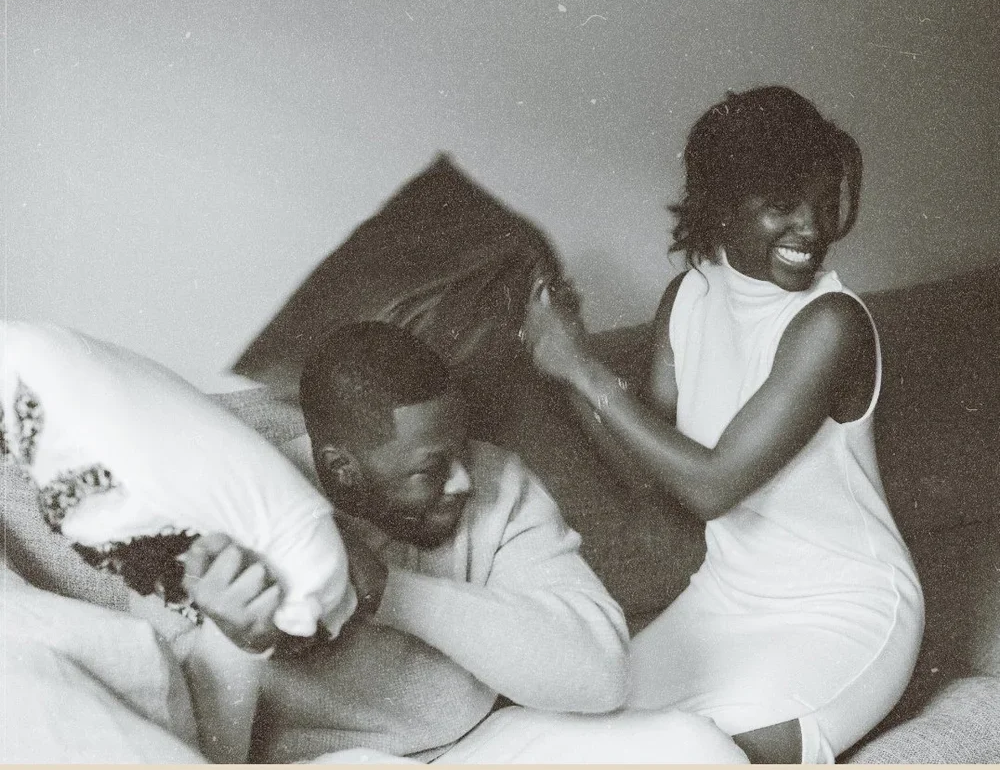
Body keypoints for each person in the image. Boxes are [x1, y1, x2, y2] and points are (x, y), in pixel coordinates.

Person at [522, 85, 924, 764]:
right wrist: (564, 363)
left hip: (843, 611)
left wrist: (584, 369)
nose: (812, 228)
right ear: (721, 206)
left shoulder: (832, 324)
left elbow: (711, 487)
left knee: (693, 756)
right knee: (564, 730)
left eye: (824, 202)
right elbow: (652, 477)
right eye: (782, 205)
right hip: (724, 598)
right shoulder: (688, 296)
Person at [181, 320, 748, 764]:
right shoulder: (233, 522)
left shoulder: (496, 480)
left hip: (482, 742)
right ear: (342, 468)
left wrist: (389, 592)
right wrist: (235, 644)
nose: (462, 481)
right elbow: (199, 755)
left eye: (461, 450)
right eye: (430, 469)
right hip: (340, 763)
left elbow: (600, 676)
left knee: (697, 749)